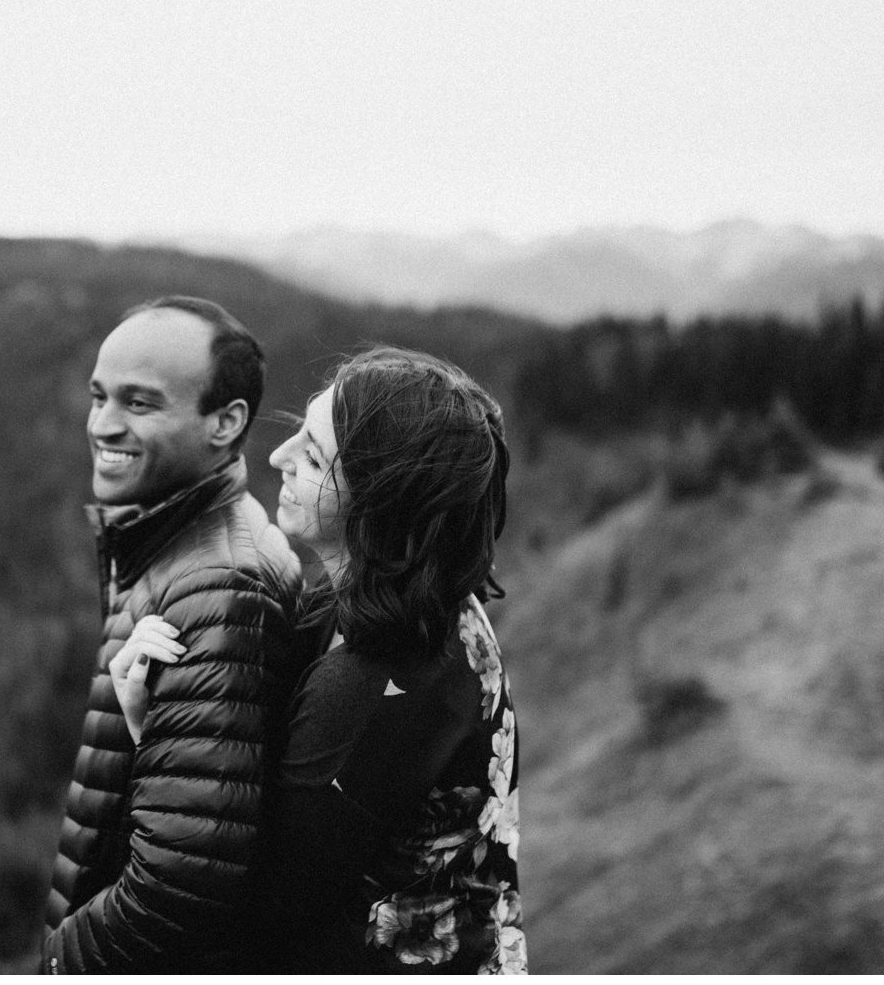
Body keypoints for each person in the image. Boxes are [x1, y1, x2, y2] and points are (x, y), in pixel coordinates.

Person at [110, 346, 526, 973]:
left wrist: (151, 731)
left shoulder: (371, 687)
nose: (277, 457)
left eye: (311, 456)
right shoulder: (417, 600)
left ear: (382, 502)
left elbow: (252, 910)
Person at [43, 296, 306, 973]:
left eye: (139, 403)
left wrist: (55, 966)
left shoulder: (219, 586)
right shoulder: (175, 543)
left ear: (225, 422)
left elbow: (183, 884)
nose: (103, 424)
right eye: (99, 397)